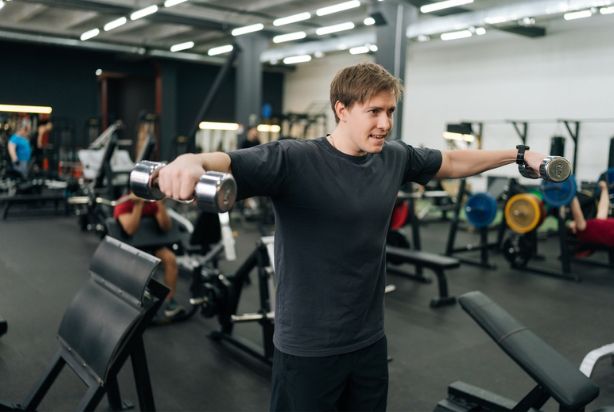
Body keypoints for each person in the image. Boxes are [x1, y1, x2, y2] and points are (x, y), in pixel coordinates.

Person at [154, 62, 549, 411]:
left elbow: (452, 160)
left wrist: (517, 155)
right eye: (374, 111)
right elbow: (228, 162)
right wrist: (190, 160)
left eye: (390, 111)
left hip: (368, 340)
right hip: (307, 348)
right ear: (341, 110)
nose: (386, 123)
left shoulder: (393, 157)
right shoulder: (294, 159)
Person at [113, 193, 185, 321]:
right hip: (131, 247)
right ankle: (138, 304)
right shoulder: (124, 203)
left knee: (170, 258)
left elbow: (165, 226)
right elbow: (130, 230)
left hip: (152, 244)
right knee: (141, 264)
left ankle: (169, 302)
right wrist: (138, 205)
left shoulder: (152, 203)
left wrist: (159, 204)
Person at [569, 180, 614, 252]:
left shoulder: (595, 226)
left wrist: (604, 189)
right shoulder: (583, 230)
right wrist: (571, 196)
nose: (571, 223)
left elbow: (603, 210)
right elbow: (577, 213)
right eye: (571, 225)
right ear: (574, 231)